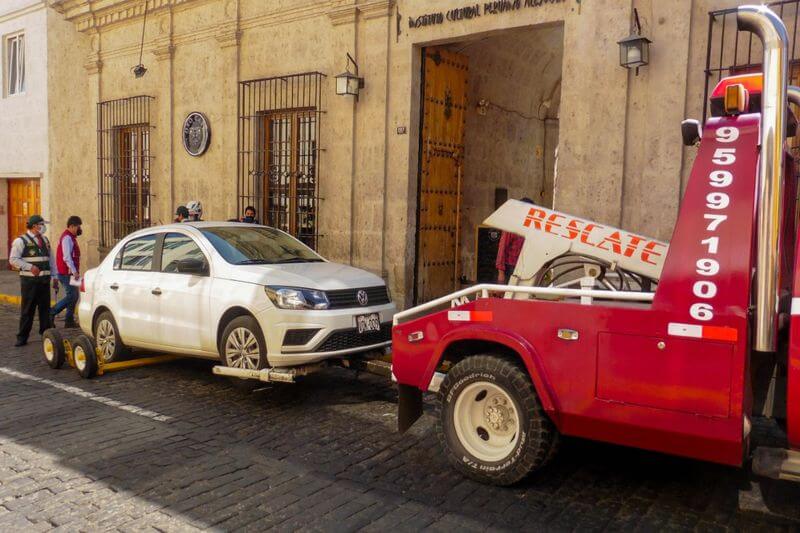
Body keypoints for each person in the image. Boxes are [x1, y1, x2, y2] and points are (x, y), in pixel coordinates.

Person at [9, 215, 57, 346]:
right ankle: (22, 337)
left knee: (45, 309)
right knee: (28, 310)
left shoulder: (45, 240)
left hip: (44, 281)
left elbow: (51, 259)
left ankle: (46, 335)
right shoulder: (21, 241)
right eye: (42, 224)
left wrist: (55, 276)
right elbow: (13, 259)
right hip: (29, 282)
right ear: (35, 225)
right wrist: (29, 267)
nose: (43, 227)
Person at [51, 216, 82, 328]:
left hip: (71, 272)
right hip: (66, 272)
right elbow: (67, 257)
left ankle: (69, 321)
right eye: (78, 227)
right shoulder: (67, 238)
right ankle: (52, 312)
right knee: (71, 296)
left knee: (75, 295)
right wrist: (74, 272)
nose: (79, 229)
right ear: (72, 226)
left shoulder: (71, 238)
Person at [495, 197, 535, 284]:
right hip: (511, 268)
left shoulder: (531, 227)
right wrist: (501, 273)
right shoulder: (511, 226)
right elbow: (502, 249)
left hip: (525, 268)